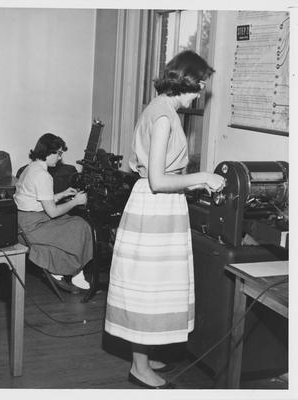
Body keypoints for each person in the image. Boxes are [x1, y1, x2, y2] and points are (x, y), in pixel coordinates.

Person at [104, 50, 226, 389]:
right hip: (155, 207)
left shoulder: (159, 108)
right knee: (148, 289)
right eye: (200, 85)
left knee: (154, 288)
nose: (201, 92)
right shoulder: (163, 117)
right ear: (188, 81)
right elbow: (157, 180)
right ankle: (139, 367)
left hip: (161, 209)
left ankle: (145, 354)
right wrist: (202, 177)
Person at [14, 133, 93, 293]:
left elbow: (37, 200)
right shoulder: (43, 175)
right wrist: (76, 201)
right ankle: (65, 271)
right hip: (32, 227)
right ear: (47, 153)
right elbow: (53, 212)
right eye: (58, 153)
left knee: (72, 221)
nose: (59, 157)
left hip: (21, 221)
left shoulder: (30, 168)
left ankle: (73, 271)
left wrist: (62, 194)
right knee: (80, 225)